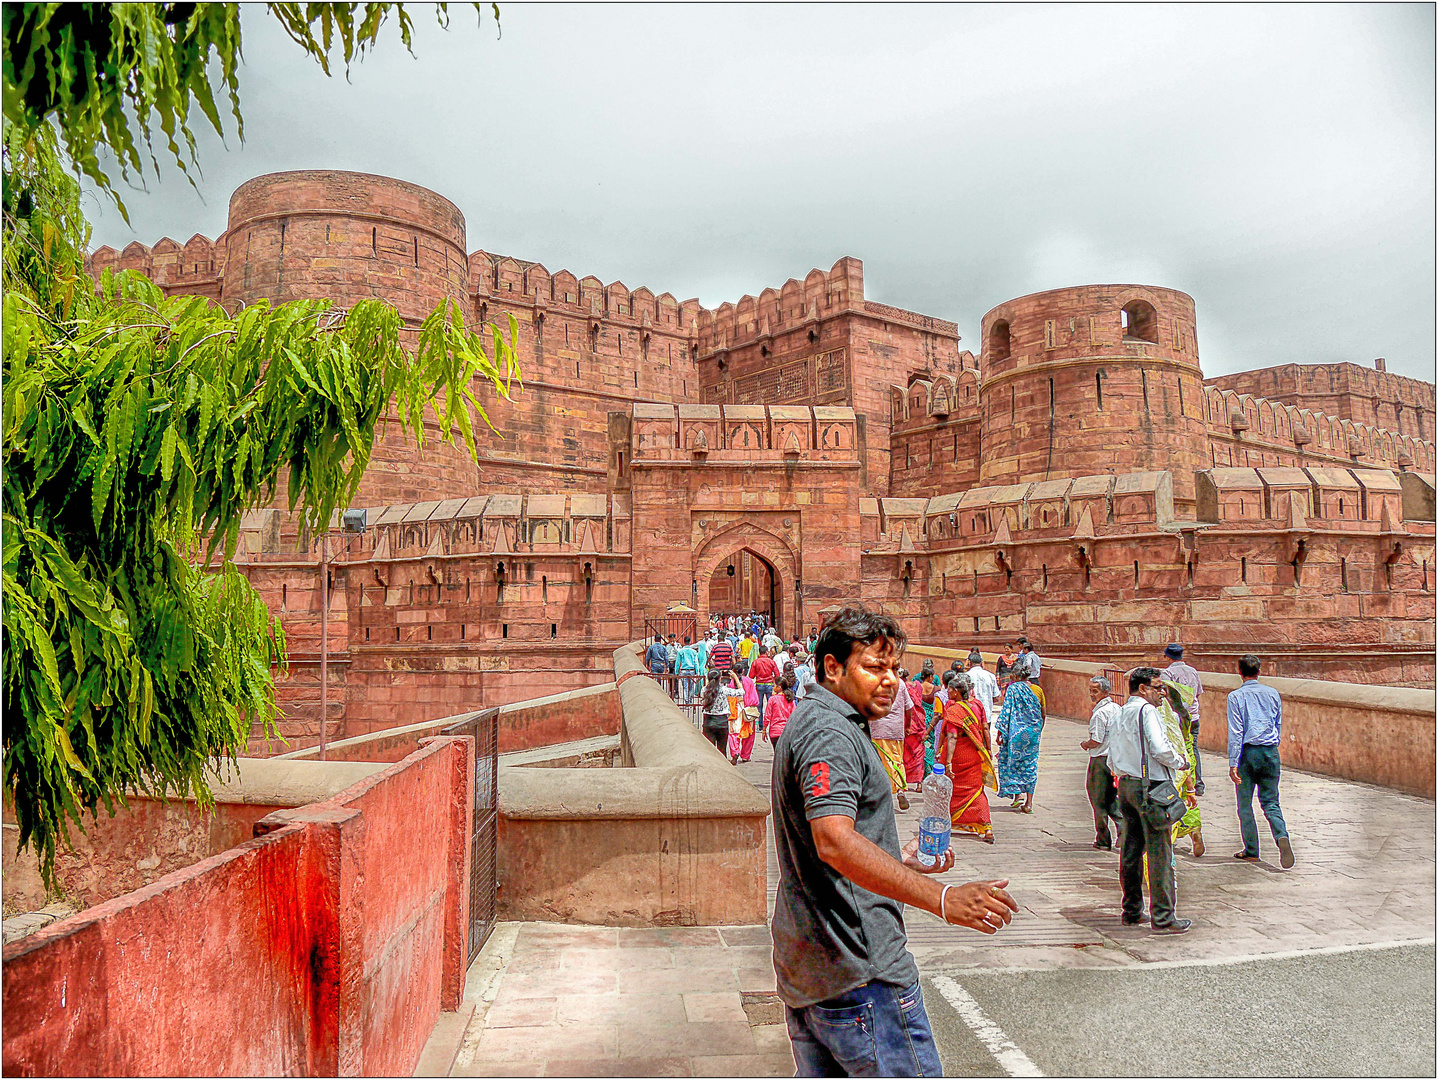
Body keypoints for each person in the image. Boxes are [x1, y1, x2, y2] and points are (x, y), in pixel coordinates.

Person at [770, 604, 1018, 1077]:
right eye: (874, 667)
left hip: (814, 968)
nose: (890, 681)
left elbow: (834, 840)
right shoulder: (829, 732)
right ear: (832, 666)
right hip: (863, 973)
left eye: (894, 669)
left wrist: (896, 859)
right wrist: (942, 899)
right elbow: (834, 842)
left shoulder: (813, 720)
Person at [1106, 667, 1192, 933]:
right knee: (1159, 852)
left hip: (1127, 786)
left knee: (1131, 851)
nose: (1162, 693)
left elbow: (1111, 756)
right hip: (1150, 787)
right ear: (1143, 689)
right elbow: (1160, 747)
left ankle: (1131, 910)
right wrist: (1181, 762)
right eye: (1157, 687)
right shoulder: (1147, 711)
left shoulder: (1120, 712)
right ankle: (1164, 916)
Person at [1228, 654, 1294, 868]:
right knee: (1271, 802)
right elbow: (1278, 723)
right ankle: (1281, 836)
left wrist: (1232, 762)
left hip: (1248, 753)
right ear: (1259, 671)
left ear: (1240, 672)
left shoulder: (1235, 697)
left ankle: (1252, 850)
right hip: (1270, 751)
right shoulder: (1273, 693)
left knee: (1245, 804)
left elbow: (1236, 731)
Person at [938, 673, 996, 844]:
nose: (947, 691)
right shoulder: (977, 706)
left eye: (949, 689)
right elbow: (985, 727)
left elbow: (953, 737)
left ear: (956, 691)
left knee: (951, 790)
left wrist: (948, 761)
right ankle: (987, 827)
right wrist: (988, 749)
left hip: (958, 755)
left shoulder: (954, 710)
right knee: (976, 791)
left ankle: (946, 822)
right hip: (973, 754)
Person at [1158, 677, 1204, 858]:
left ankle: (1172, 835)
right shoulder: (1184, 713)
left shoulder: (1165, 713)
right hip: (1188, 754)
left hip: (1175, 758)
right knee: (1188, 795)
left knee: (1171, 797)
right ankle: (1194, 829)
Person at [1080, 676, 1123, 851]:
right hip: (1115, 758)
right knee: (1112, 798)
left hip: (1100, 759)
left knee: (1098, 800)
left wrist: (1085, 744)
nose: (1092, 694)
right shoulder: (1117, 709)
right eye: (1091, 690)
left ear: (1105, 692)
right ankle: (1123, 829)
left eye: (1095, 691)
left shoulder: (1100, 713)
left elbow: (1096, 740)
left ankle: (1103, 838)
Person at [993, 667, 1044, 813]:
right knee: (1030, 765)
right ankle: (1029, 803)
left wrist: (1000, 733)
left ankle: (1017, 795)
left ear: (1014, 675)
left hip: (1015, 733)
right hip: (1033, 733)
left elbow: (1006, 712)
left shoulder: (1012, 689)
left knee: (1013, 762)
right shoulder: (1037, 690)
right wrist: (1037, 730)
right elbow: (1043, 712)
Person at [1162, 644, 1205, 795]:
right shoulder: (1193, 671)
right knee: (1192, 748)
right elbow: (1198, 693)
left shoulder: (1167, 673)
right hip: (1193, 716)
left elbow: (1168, 697)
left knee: (1177, 748)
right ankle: (1198, 784)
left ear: (1167, 656)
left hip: (1178, 718)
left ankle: (1181, 783)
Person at [869, 665, 911, 811]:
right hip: (897, 729)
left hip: (879, 728)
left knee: (883, 762)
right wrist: (907, 726)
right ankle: (899, 788)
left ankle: (892, 790)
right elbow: (909, 708)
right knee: (897, 760)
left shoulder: (875, 682)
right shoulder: (901, 684)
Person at [701, 672, 742, 754]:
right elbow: (741, 692)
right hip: (721, 721)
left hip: (708, 721)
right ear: (720, 679)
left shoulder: (704, 690)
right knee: (722, 750)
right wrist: (736, 679)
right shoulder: (724, 689)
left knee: (709, 750)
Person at [900, 668, 926, 790]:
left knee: (905, 753)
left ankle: (903, 780)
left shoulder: (901, 687)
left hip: (907, 722)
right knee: (919, 752)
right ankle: (919, 783)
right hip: (919, 721)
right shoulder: (918, 686)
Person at [966, 651, 999, 742]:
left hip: (970, 714)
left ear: (970, 663)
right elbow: (996, 697)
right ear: (981, 663)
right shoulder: (991, 676)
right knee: (985, 738)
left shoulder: (967, 676)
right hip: (986, 713)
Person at [765, 670, 797, 745]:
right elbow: (794, 715)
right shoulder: (790, 699)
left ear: (779, 687)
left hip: (775, 731)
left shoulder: (772, 699)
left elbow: (767, 716)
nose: (773, 687)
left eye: (774, 685)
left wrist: (764, 729)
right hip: (787, 732)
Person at [751, 646, 780, 718]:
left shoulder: (755, 662)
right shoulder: (771, 661)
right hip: (770, 684)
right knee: (771, 705)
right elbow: (777, 674)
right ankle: (771, 721)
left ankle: (761, 724)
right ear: (766, 652)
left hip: (759, 684)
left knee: (759, 705)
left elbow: (751, 675)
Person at [676, 636, 701, 704]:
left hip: (683, 670)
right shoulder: (694, 652)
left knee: (685, 687)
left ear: (684, 642)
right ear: (690, 642)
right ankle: (690, 700)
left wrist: (676, 672)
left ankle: (686, 701)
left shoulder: (681, 651)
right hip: (691, 670)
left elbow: (678, 662)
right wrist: (697, 671)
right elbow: (696, 662)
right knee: (691, 686)